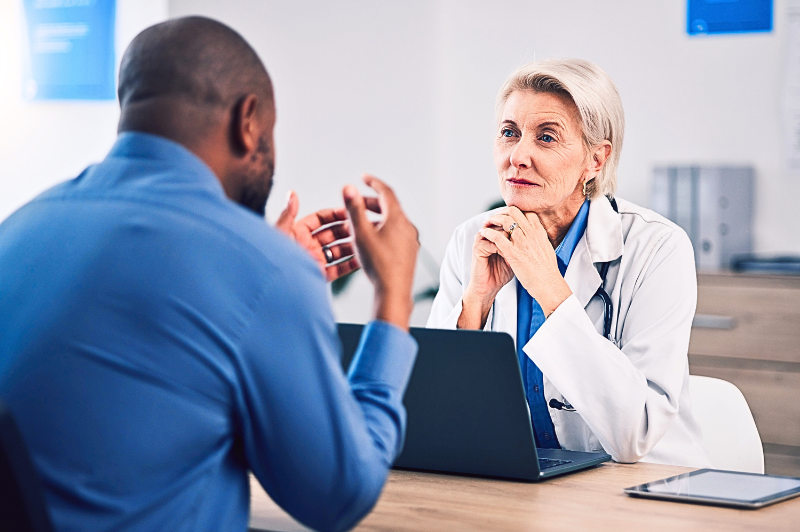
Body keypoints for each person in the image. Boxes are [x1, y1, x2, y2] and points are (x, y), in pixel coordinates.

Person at [0, 17, 420, 532]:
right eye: (271, 133)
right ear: (248, 121)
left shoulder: (17, 230)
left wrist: (269, 280)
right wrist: (392, 297)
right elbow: (339, 496)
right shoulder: (258, 268)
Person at [427, 59, 709, 468]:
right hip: (523, 485)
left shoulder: (658, 248)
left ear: (595, 160)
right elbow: (433, 418)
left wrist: (549, 286)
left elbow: (636, 434)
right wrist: (477, 302)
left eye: (546, 137)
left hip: (644, 489)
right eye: (509, 133)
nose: (518, 156)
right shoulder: (473, 240)